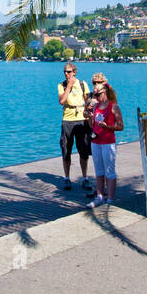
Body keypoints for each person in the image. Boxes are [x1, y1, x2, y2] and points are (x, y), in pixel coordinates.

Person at [85, 73, 124, 205]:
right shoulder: (95, 107)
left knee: (109, 171)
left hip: (108, 142)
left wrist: (107, 127)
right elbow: (92, 125)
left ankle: (110, 199)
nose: (95, 97)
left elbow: (120, 126)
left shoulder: (113, 106)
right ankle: (99, 196)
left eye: (97, 95)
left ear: (104, 92)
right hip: (96, 142)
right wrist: (90, 116)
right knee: (99, 171)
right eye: (94, 95)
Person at [57, 63, 92, 192]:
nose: (66, 74)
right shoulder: (62, 85)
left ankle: (84, 177)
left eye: (69, 71)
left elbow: (88, 100)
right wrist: (69, 86)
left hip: (82, 119)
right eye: (65, 72)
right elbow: (62, 101)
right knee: (66, 149)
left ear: (74, 72)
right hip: (68, 119)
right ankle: (67, 177)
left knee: (83, 149)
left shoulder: (83, 84)